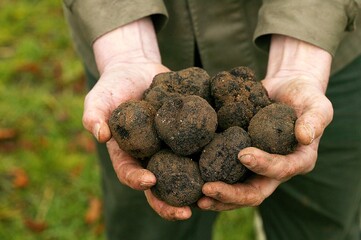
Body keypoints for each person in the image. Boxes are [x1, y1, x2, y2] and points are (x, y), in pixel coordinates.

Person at [63, 1, 361, 239]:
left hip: (320, 52)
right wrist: (124, 49)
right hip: (130, 50)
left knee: (321, 224)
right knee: (146, 229)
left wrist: (303, 50)